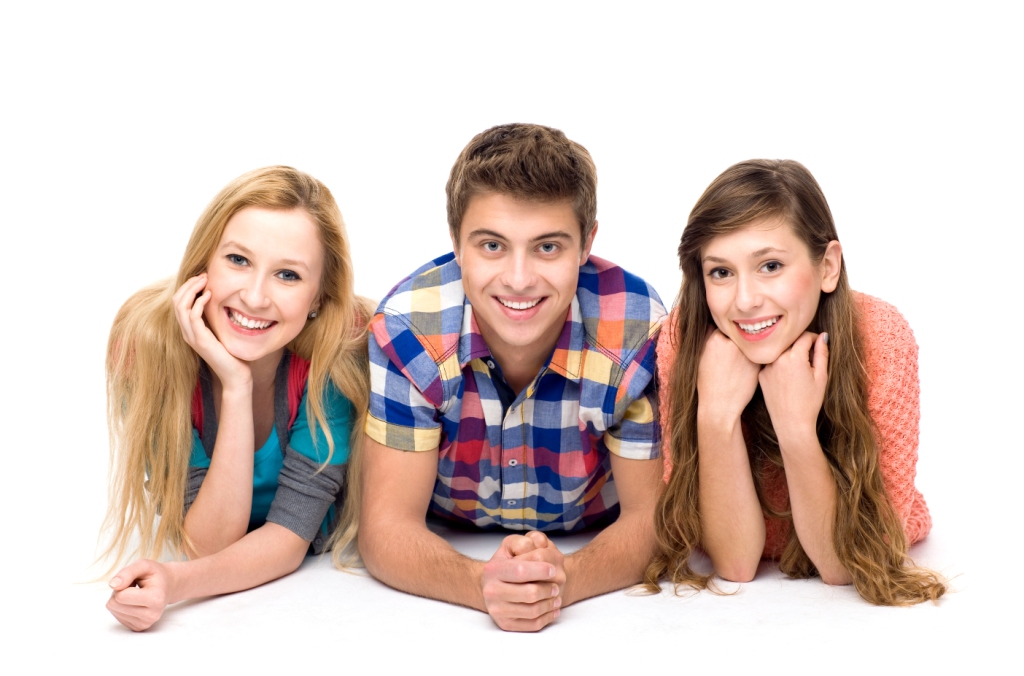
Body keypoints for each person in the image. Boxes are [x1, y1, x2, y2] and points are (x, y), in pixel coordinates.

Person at [359, 124, 667, 631]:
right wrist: (478, 583)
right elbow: (385, 527)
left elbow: (651, 521)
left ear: (587, 242)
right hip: (450, 530)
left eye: (547, 247)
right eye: (492, 246)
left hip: (589, 532)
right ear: (456, 242)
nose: (519, 279)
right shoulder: (411, 326)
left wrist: (565, 577)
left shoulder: (634, 327)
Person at [644, 159, 946, 605]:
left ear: (827, 267)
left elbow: (848, 564)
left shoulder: (880, 337)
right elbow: (735, 565)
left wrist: (796, 426)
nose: (745, 301)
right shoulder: (686, 339)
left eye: (770, 266)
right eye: (721, 272)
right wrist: (716, 414)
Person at [102, 166, 373, 630]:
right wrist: (236, 384)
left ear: (317, 300)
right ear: (203, 261)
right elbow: (209, 544)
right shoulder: (144, 347)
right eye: (238, 260)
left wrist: (177, 582)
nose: (254, 296)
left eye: (287, 275)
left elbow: (289, 537)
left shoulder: (338, 352)